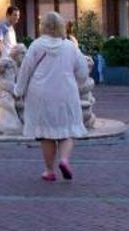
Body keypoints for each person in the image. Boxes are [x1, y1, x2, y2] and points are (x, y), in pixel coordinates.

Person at [14, 11, 90, 182]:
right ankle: (64, 160)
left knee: (46, 133)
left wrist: (18, 90)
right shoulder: (70, 47)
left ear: (43, 27)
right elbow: (83, 72)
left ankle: (49, 170)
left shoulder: (36, 45)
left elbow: (25, 69)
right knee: (68, 129)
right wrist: (78, 81)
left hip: (40, 94)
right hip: (65, 92)